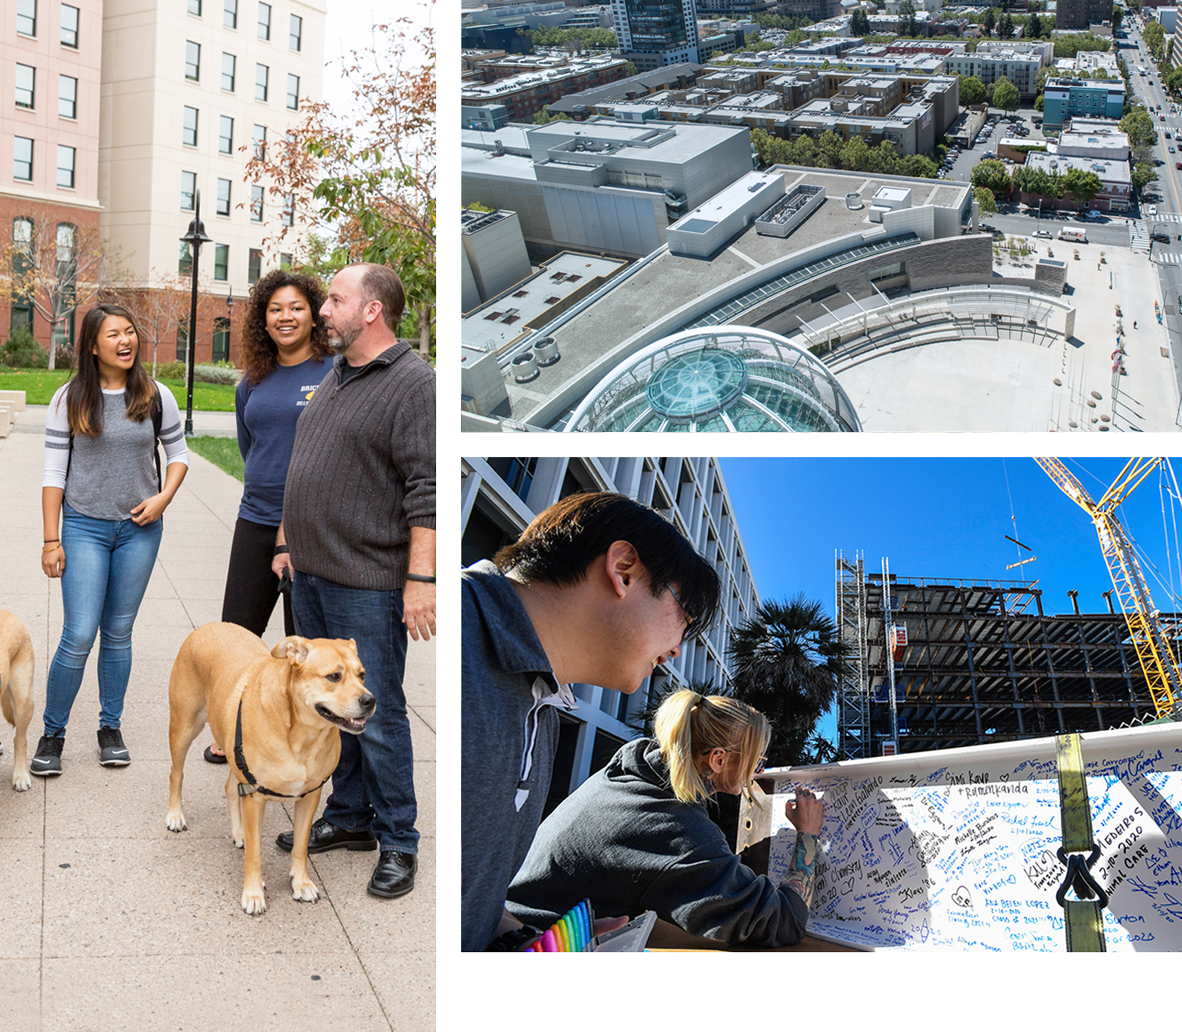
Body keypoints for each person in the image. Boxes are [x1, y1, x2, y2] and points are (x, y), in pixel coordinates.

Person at [459, 491, 722, 952]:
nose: (680, 647)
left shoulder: (545, 712)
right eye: (687, 617)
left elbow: (473, 898)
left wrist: (534, 944)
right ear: (623, 569)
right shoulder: (455, 629)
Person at [271, 263, 435, 901]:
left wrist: (420, 578)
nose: (323, 310)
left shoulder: (413, 384)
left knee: (379, 712)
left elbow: (427, 489)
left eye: (336, 299)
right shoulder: (337, 374)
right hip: (311, 573)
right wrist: (288, 542)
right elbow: (304, 468)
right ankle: (350, 818)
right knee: (332, 708)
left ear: (371, 311)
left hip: (366, 583)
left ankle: (400, 842)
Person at [504, 690, 825, 948]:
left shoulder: (630, 775)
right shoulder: (673, 827)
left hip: (510, 928)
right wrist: (808, 835)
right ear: (717, 759)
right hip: (530, 949)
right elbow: (780, 921)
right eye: (756, 759)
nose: (759, 770)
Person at [30, 304, 189, 773]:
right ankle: (52, 733)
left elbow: (178, 455)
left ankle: (109, 728)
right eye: (114, 334)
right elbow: (53, 472)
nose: (126, 341)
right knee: (78, 633)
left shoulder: (156, 394)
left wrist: (163, 498)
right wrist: (49, 539)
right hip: (84, 527)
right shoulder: (69, 398)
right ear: (93, 345)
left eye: (130, 332)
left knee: (118, 632)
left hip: (140, 530)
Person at [200, 271, 329, 764]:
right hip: (255, 520)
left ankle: (301, 738)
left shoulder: (333, 373)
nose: (286, 317)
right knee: (237, 634)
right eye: (275, 309)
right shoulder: (253, 380)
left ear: (313, 314)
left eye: (296, 307)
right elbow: (250, 448)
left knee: (304, 643)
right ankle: (231, 727)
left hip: (313, 526)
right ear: (263, 319)